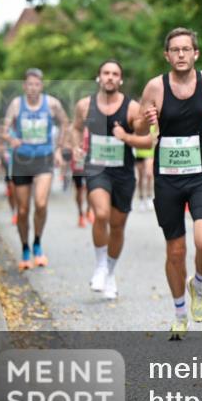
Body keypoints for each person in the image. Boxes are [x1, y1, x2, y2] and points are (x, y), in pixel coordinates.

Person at [138, 28, 202, 340]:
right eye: (175, 50)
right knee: (176, 251)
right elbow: (137, 126)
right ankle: (180, 313)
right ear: (167, 55)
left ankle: (198, 284)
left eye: (186, 49)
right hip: (167, 179)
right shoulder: (155, 87)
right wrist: (147, 120)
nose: (181, 55)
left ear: (196, 53)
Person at [73, 59, 153, 301]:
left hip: (123, 173)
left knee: (117, 226)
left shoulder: (131, 108)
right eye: (106, 73)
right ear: (99, 77)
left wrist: (126, 136)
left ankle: (110, 272)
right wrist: (76, 146)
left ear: (120, 79)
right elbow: (76, 128)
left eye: (115, 74)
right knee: (101, 214)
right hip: (96, 168)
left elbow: (147, 140)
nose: (110, 77)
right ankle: (100, 266)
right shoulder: (85, 105)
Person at [0, 68, 71, 271]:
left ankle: (37, 243)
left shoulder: (52, 104)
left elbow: (65, 123)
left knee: (40, 204)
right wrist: (11, 139)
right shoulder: (16, 104)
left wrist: (59, 149)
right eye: (29, 84)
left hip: (44, 159)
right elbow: (4, 130)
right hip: (22, 159)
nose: (32, 88)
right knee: (22, 210)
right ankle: (25, 248)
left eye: (36, 84)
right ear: (24, 86)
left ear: (41, 86)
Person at [134, 124, 156, 211]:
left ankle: (150, 196)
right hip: (139, 153)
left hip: (150, 153)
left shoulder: (153, 125)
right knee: (140, 177)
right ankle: (141, 199)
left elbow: (156, 138)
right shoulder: (138, 125)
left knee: (149, 175)